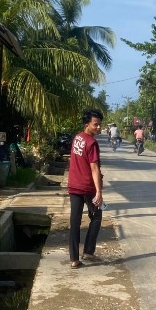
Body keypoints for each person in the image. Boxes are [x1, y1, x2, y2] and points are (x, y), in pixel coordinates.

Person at [68, 109, 104, 269]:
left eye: (99, 124)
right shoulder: (92, 143)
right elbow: (95, 168)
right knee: (96, 217)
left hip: (73, 186)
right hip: (88, 188)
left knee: (74, 222)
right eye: (95, 124)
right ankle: (88, 252)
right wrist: (99, 192)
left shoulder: (77, 138)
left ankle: (74, 259)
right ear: (87, 124)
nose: (98, 127)